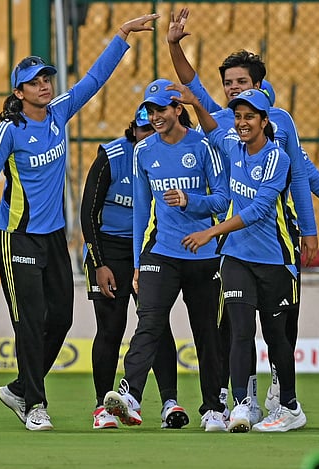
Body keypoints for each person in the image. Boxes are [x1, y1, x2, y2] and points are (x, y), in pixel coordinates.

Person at [166, 7, 319, 418]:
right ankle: (245, 398)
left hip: (276, 240)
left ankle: (284, 392)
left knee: (281, 328)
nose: (231, 90)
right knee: (237, 325)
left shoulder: (278, 127)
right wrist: (173, 44)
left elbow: (304, 176)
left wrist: (317, 229)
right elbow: (192, 89)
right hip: (235, 243)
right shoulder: (229, 125)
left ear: (260, 88)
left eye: (241, 83)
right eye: (227, 84)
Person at [0, 14, 160, 431]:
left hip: (52, 237)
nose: (45, 85)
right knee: (29, 321)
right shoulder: (8, 130)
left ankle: (18, 388)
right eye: (35, 82)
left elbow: (92, 80)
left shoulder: (57, 113)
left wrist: (122, 36)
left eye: (47, 78)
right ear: (19, 91)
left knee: (61, 319)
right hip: (15, 237)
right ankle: (35, 404)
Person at [102, 79, 230, 432]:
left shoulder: (204, 147)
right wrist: (138, 262)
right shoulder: (144, 151)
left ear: (178, 110)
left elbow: (222, 199)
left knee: (207, 331)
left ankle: (214, 409)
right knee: (149, 323)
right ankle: (131, 395)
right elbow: (141, 212)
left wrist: (192, 201)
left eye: (161, 109)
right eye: (150, 110)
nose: (155, 116)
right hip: (161, 252)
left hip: (203, 254)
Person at [180, 87, 308, 433]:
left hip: (274, 259)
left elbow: (257, 210)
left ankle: (290, 407)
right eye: (237, 116)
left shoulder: (277, 158)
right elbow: (211, 130)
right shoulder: (233, 148)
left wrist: (210, 232)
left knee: (276, 336)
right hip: (235, 256)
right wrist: (195, 103)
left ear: (265, 121)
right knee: (240, 331)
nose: (242, 123)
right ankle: (242, 405)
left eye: (249, 117)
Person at [80, 104, 186, 430]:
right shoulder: (111, 158)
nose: (147, 137)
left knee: (155, 324)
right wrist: (99, 264)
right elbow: (88, 215)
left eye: (153, 131)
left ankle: (170, 403)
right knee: (110, 329)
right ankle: (103, 407)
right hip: (109, 252)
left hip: (150, 249)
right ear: (133, 129)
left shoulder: (167, 157)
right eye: (142, 131)